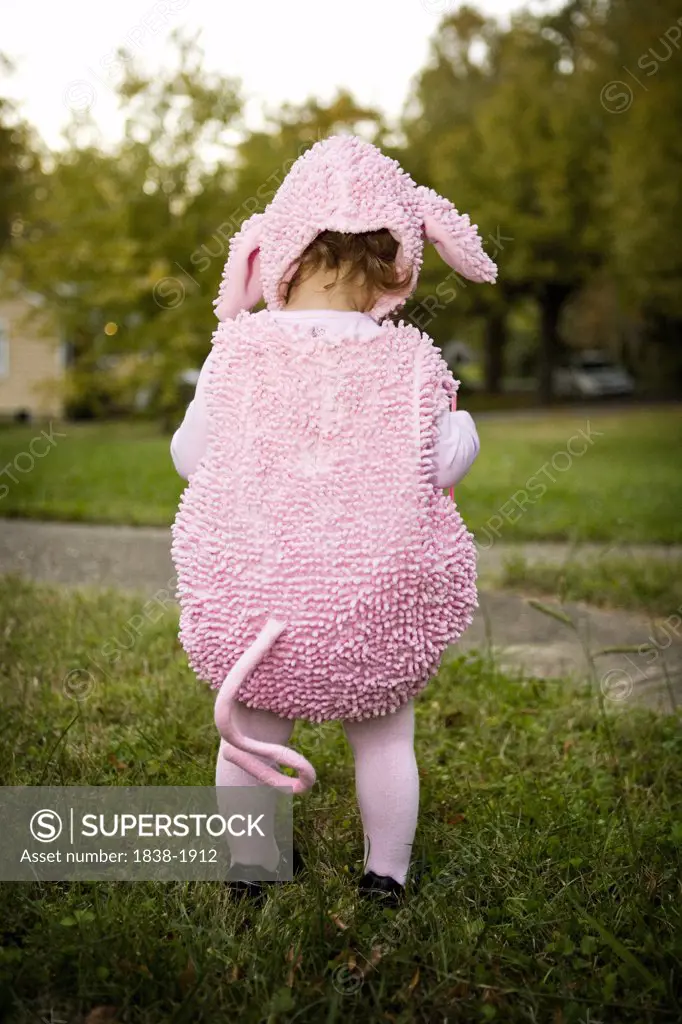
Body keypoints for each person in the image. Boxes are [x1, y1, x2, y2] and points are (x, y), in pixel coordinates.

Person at [170, 134, 497, 905]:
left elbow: (193, 459)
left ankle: (252, 870)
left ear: (277, 253)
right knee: (385, 738)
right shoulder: (412, 362)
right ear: (397, 263)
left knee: (247, 739)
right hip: (372, 608)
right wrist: (466, 431)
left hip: (260, 607)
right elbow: (444, 461)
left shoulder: (236, 353)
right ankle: (386, 875)